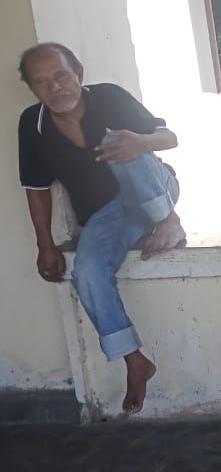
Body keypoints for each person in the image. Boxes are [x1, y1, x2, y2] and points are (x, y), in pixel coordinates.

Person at [17, 43, 186, 414]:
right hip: (110, 213)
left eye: (61, 75)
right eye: (41, 82)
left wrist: (141, 142)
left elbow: (169, 137)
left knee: (116, 140)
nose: (55, 87)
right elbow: (36, 188)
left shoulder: (108, 97)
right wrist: (45, 245)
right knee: (88, 272)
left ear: (78, 73)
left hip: (152, 190)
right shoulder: (33, 124)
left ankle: (169, 222)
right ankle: (134, 360)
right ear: (31, 88)